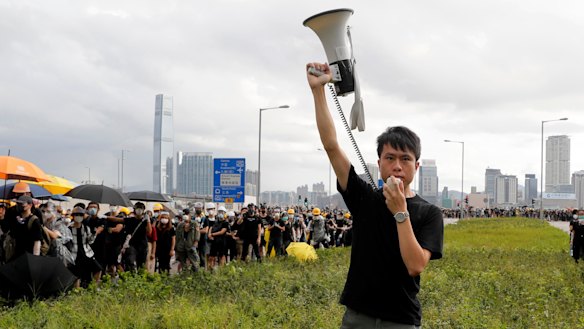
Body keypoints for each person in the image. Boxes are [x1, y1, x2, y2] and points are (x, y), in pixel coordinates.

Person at [307, 62, 444, 328]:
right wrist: (318, 91)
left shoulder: (429, 213)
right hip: (357, 318)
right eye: (389, 158)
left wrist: (400, 212)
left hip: (400, 321)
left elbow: (415, 266)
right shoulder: (364, 198)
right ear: (379, 163)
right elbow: (332, 146)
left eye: (405, 159)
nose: (397, 166)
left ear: (416, 166)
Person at [68, 206, 102, 288]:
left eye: (80, 215)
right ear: (73, 216)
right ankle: (77, 293)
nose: (78, 217)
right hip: (74, 254)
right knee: (77, 275)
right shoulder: (69, 228)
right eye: (76, 214)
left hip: (87, 252)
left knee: (98, 268)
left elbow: (90, 241)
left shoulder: (86, 228)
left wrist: (94, 233)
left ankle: (94, 287)